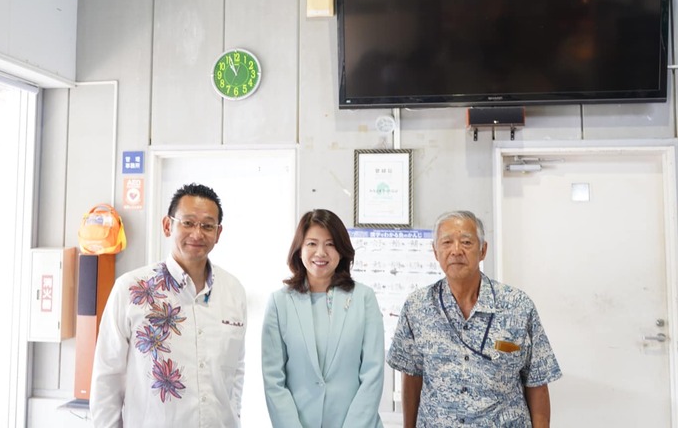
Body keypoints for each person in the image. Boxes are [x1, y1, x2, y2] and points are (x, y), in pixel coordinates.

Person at [90, 183, 247, 428]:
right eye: (188, 222)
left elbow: (236, 372)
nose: (197, 233)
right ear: (167, 225)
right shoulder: (130, 289)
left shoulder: (233, 291)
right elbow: (107, 379)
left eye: (207, 225)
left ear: (218, 233)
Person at [386, 210, 562, 427]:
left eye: (466, 242)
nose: (456, 250)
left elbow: (537, 383)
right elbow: (412, 376)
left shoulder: (518, 306)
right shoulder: (417, 307)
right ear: (435, 252)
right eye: (447, 242)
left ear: (483, 250)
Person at [261, 209, 385, 428]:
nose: (321, 252)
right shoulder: (280, 303)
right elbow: (273, 380)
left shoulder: (363, 298)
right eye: (312, 243)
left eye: (330, 244)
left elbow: (373, 373)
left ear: (342, 251)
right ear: (299, 249)